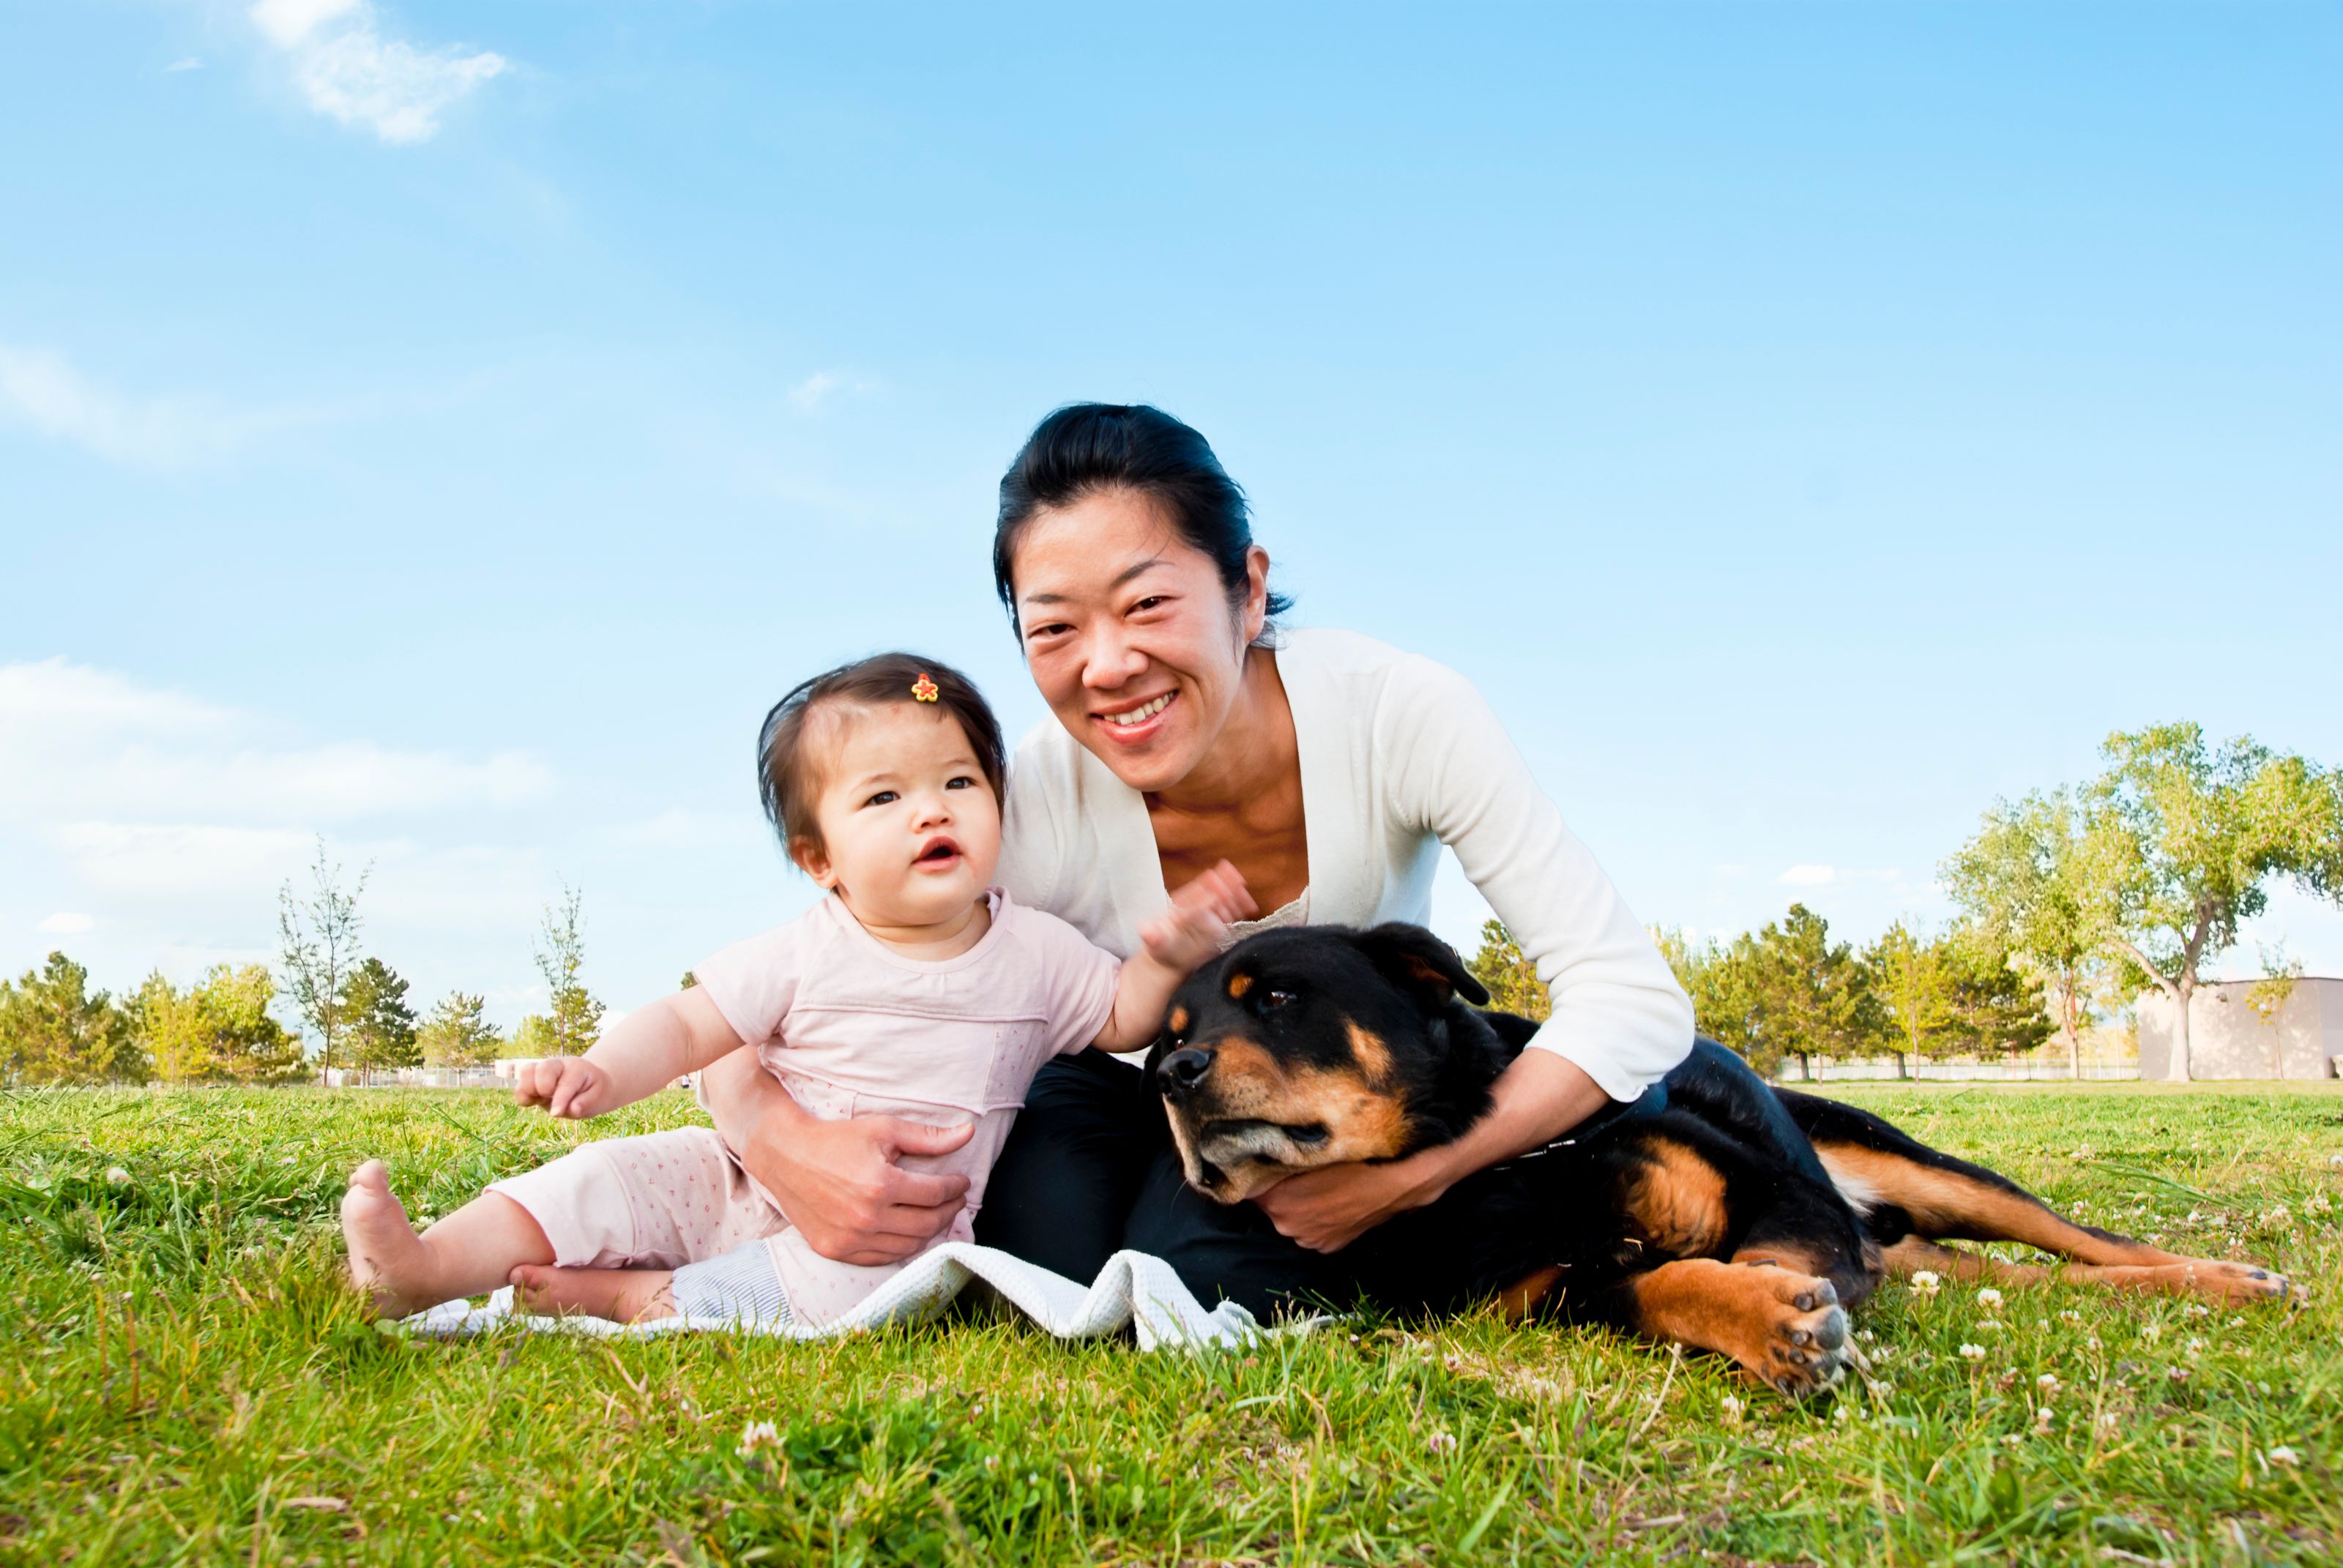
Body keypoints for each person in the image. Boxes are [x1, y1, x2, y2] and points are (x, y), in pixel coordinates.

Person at [690, 404, 1697, 1322]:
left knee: (1212, 1283)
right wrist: (780, 1139)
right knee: (1039, 1273)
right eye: (1054, 628)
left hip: (1330, 1105)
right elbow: (761, 992)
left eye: (1146, 604)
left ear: (1247, 589)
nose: (1108, 664)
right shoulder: (1016, 803)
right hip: (1132, 1093)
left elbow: (1629, 996)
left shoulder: (1400, 712)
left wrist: (1416, 1176)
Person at [338, 653, 1253, 1327]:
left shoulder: (1037, 951)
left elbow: (1120, 1018)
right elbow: (687, 1023)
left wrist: (1169, 954)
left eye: (958, 782)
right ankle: (426, 1267)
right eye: (882, 799)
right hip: (735, 1170)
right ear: (818, 860)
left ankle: (629, 1299)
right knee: (602, 1180)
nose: (931, 809)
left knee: (835, 1300)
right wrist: (604, 1072)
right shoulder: (803, 951)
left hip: (888, 1231)